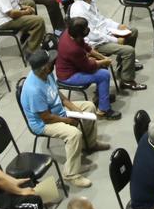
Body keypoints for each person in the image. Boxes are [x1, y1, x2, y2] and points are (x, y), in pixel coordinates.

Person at [20, 49, 106, 189]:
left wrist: (73, 107)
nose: (55, 62)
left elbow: (56, 93)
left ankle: (89, 144)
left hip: (56, 110)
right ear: (44, 67)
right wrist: (68, 121)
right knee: (74, 134)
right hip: (43, 123)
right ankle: (71, 174)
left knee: (89, 107)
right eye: (51, 62)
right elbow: (46, 117)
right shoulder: (33, 90)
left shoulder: (46, 74)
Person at [69, 0, 145, 91]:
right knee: (128, 51)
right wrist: (115, 40)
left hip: (104, 34)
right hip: (95, 43)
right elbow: (93, 35)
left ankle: (124, 66)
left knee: (132, 31)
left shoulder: (90, 2)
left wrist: (118, 26)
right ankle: (127, 80)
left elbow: (102, 20)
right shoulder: (79, 12)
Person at [57, 17, 120, 119]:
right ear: (79, 34)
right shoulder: (73, 49)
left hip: (74, 66)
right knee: (104, 75)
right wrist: (104, 61)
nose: (88, 29)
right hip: (69, 76)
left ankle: (101, 98)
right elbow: (89, 67)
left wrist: (102, 57)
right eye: (85, 29)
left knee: (101, 65)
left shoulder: (69, 32)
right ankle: (104, 109)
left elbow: (86, 47)